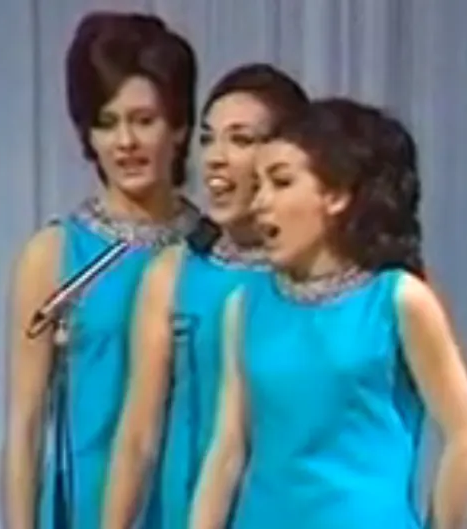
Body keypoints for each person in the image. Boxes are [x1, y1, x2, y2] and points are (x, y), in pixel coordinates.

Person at [191, 98, 467, 529]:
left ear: (336, 195)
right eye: (257, 186)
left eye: (281, 182)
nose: (260, 203)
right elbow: (228, 449)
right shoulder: (246, 305)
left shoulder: (397, 300)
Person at [1, 12, 199, 529]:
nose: (125, 142)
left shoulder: (216, 253)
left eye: (144, 120)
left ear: (180, 126)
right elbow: (25, 427)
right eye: (107, 123)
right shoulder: (52, 255)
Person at [102, 63, 309, 529]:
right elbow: (138, 437)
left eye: (241, 140)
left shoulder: (318, 276)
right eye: (208, 139)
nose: (216, 158)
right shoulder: (173, 272)